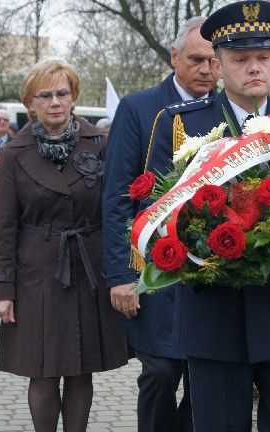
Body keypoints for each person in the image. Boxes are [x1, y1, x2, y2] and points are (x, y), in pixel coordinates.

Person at [147, 3, 270, 430]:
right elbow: (154, 215)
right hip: (215, 316)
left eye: (262, 58)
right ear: (219, 64)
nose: (254, 69)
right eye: (240, 60)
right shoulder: (182, 127)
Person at [0, 58, 128, 432]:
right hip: (37, 271)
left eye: (62, 93)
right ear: (30, 103)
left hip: (88, 266)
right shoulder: (15, 153)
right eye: (45, 95)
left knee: (82, 368)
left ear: (74, 98)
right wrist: (2, 289)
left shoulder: (99, 142)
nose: (55, 101)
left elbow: (117, 207)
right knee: (44, 370)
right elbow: (3, 225)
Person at [102, 15, 217, 432]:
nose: (207, 70)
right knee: (162, 371)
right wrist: (119, 275)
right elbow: (116, 194)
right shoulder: (139, 108)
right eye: (196, 59)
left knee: (204, 378)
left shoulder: (227, 110)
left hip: (212, 267)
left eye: (213, 61)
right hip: (152, 268)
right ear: (173, 56)